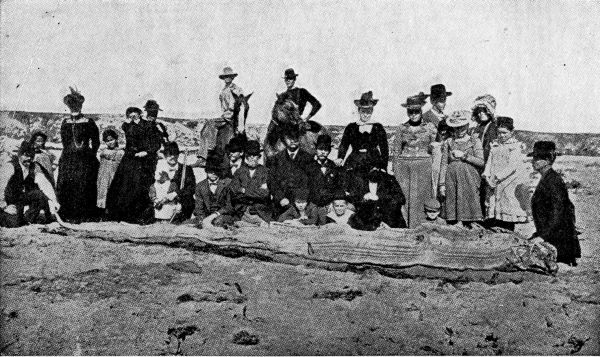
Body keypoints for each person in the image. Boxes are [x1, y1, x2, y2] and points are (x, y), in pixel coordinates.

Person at [529, 141, 581, 266]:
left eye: (537, 158)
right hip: (551, 236)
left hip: (559, 243)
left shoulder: (553, 181)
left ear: (547, 160)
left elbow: (558, 213)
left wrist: (543, 237)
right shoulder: (548, 177)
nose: (533, 161)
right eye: (533, 157)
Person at [392, 92, 437, 228]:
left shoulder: (429, 127)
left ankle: (422, 225)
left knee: (422, 197)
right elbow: (396, 150)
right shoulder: (401, 128)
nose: (414, 114)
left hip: (424, 166)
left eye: (416, 111)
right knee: (405, 197)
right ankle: (406, 225)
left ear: (421, 111)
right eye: (410, 112)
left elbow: (435, 149)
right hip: (404, 167)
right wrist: (395, 168)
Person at [106, 107, 157, 224]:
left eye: (135, 114)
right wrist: (128, 123)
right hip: (130, 158)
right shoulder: (127, 126)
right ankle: (123, 215)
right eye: (130, 115)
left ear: (140, 114)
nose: (133, 116)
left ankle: (139, 216)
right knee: (123, 185)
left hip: (144, 159)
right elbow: (128, 136)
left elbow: (155, 143)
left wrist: (147, 152)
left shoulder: (148, 125)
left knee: (140, 186)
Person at [56, 87, 100, 222]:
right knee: (68, 184)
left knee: (84, 185)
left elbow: (96, 142)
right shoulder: (65, 123)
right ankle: (68, 214)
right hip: (68, 159)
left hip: (85, 159)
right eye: (72, 106)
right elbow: (65, 142)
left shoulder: (89, 122)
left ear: (81, 106)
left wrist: (90, 154)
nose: (74, 108)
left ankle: (84, 215)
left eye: (76, 106)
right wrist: (70, 153)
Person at [482, 117, 530, 231]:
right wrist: (487, 175)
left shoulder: (514, 147)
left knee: (506, 208)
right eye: (499, 133)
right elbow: (490, 161)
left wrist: (497, 177)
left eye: (505, 133)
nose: (501, 136)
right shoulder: (495, 145)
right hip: (493, 182)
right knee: (494, 208)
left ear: (511, 132)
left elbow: (511, 167)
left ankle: (508, 233)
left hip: (507, 182)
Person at [438, 110, 485, 226]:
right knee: (453, 207)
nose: (459, 131)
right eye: (456, 128)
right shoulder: (449, 142)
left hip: (469, 179)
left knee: (469, 207)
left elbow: (481, 162)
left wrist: (464, 156)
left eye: (462, 127)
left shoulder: (474, 141)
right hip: (451, 179)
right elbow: (444, 164)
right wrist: (442, 184)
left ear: (467, 126)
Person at [0, 141, 59, 227]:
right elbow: (1, 187)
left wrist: (54, 201)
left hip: (19, 198)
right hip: (7, 200)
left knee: (39, 195)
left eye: (31, 156)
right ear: (19, 155)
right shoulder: (11, 166)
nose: (29, 158)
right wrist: (4, 206)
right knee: (14, 223)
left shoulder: (32, 167)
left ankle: (28, 218)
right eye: (26, 155)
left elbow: (44, 183)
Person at [337, 91, 389, 184]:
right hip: (355, 160)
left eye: (368, 112)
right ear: (359, 111)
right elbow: (344, 145)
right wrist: (340, 157)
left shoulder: (378, 127)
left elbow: (384, 149)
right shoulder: (351, 127)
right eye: (363, 111)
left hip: (373, 160)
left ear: (372, 111)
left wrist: (383, 166)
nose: (366, 114)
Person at [266, 124, 314, 217]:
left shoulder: (308, 159)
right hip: (281, 205)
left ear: (300, 138)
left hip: (302, 205)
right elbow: (272, 181)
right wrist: (280, 198)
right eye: (289, 137)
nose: (293, 140)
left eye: (296, 137)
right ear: (284, 138)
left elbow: (312, 182)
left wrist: (302, 200)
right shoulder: (276, 159)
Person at [229, 140, 272, 225]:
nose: (252, 158)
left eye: (255, 155)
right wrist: (256, 191)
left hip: (261, 212)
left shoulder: (266, 172)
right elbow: (234, 192)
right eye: (249, 155)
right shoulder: (239, 172)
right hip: (242, 211)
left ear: (259, 157)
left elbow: (265, 194)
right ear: (246, 156)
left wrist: (244, 190)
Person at [152, 142, 196, 223]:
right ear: (165, 156)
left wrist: (176, 194)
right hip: (160, 202)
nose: (172, 157)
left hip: (180, 203)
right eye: (169, 154)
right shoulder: (158, 168)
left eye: (175, 154)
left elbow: (191, 188)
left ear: (178, 155)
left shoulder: (186, 169)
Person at [194, 150, 235, 228]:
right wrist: (203, 221)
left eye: (215, 171)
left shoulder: (228, 183)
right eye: (210, 170)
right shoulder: (200, 186)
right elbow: (199, 209)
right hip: (205, 217)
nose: (213, 173)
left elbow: (229, 206)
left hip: (223, 216)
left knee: (218, 222)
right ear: (206, 170)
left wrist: (214, 215)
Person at [309, 134, 344, 209]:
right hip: (312, 206)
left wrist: (333, 203)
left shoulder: (334, 167)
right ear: (316, 149)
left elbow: (339, 187)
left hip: (330, 206)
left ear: (330, 151)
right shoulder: (308, 166)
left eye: (326, 150)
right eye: (320, 149)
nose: (323, 152)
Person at [96, 129, 124, 214]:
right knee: (103, 191)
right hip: (104, 175)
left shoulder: (120, 152)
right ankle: (104, 212)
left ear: (116, 139)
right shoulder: (103, 152)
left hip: (115, 174)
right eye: (107, 141)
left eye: (112, 139)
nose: (110, 142)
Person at [217, 67, 245, 151]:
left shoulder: (237, 89)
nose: (227, 78)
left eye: (229, 76)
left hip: (231, 117)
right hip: (224, 116)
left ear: (232, 77)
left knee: (209, 124)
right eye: (225, 76)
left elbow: (237, 106)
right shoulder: (223, 91)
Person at [470, 94, 498, 162]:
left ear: (490, 111)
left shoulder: (492, 127)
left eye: (484, 110)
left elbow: (488, 150)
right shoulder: (477, 127)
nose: (481, 113)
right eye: (479, 111)